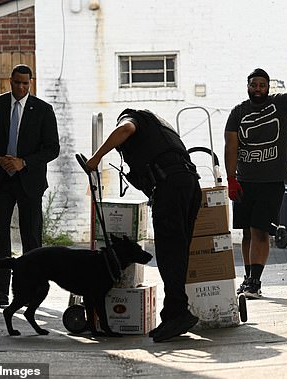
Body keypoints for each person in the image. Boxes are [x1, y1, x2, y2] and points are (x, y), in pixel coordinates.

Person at [85, 109, 201, 342]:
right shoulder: (162, 128)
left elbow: (126, 129)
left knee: (169, 254)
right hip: (189, 186)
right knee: (178, 253)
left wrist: (96, 158)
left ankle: (177, 314)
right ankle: (177, 312)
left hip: (170, 188)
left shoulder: (133, 119)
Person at [0, 64, 60, 308]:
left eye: (26, 83)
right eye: (17, 82)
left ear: (31, 83)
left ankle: (32, 293)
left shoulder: (43, 110)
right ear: (10, 81)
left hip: (29, 182)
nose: (21, 87)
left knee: (31, 238)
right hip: (1, 181)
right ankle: (1, 293)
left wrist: (24, 162)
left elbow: (52, 148)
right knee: (0, 236)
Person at [224, 68, 287, 299]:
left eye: (262, 85)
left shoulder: (280, 104)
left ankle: (255, 282)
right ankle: (248, 278)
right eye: (254, 85)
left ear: (268, 87)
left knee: (260, 231)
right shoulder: (238, 112)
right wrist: (231, 178)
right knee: (246, 233)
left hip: (271, 181)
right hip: (244, 181)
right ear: (248, 86)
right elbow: (231, 146)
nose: (258, 89)